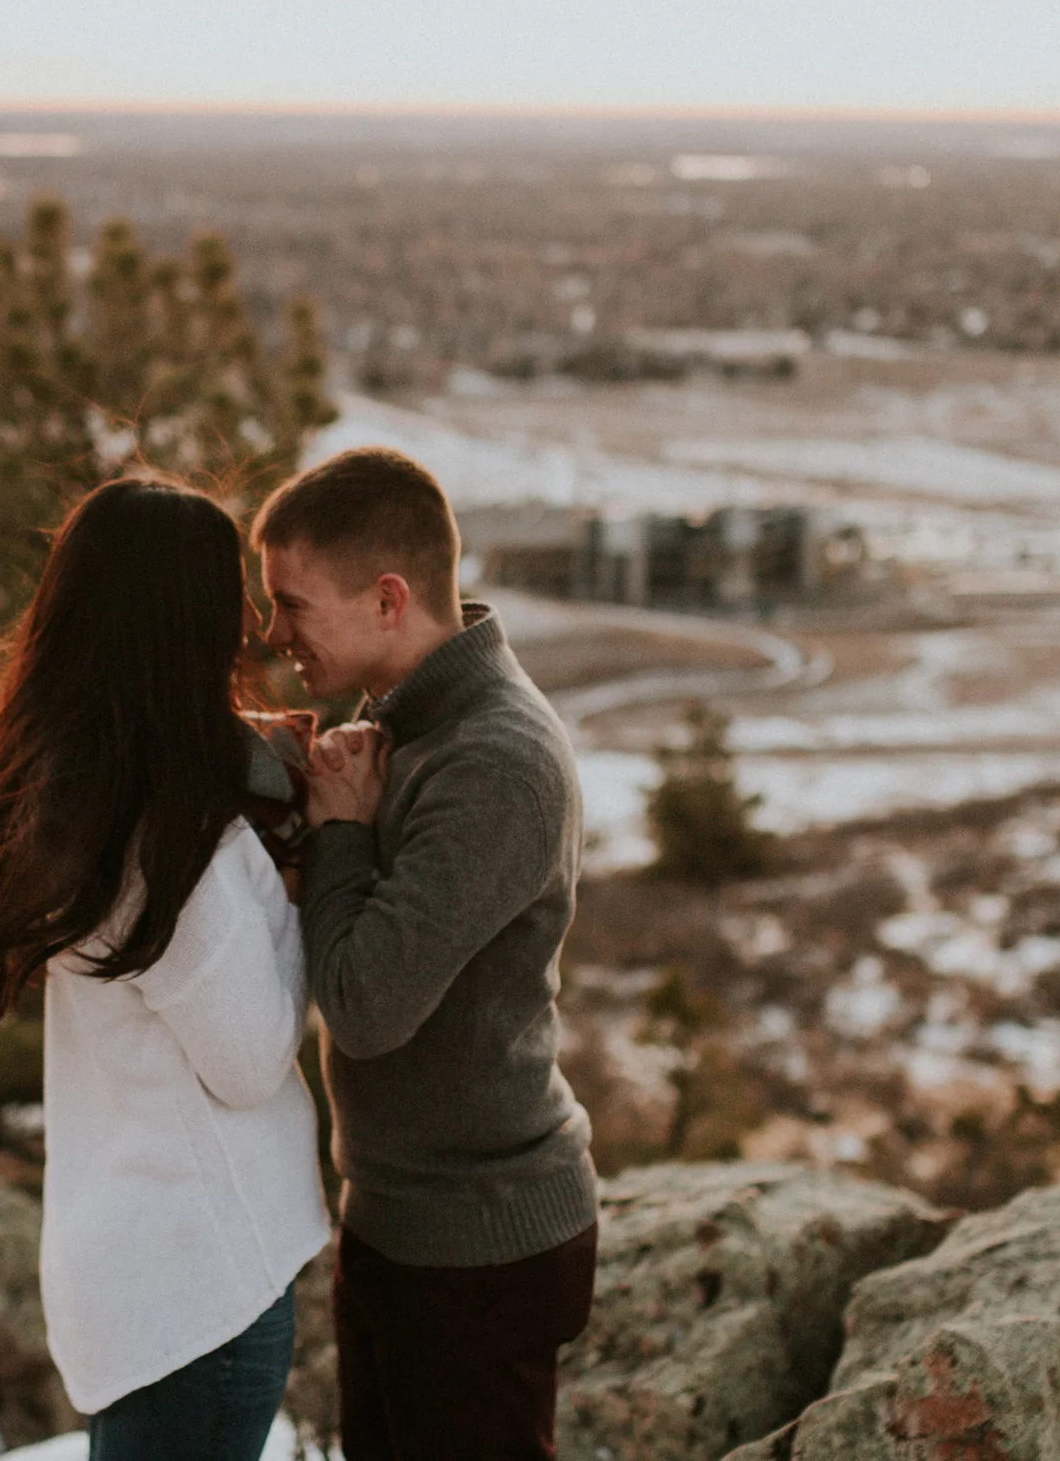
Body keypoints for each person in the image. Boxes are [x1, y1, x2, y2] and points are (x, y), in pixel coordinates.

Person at [0, 476, 331, 1460]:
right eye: (228, 594)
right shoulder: (176, 848)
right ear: (181, 623)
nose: (250, 619)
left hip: (137, 1276)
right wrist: (304, 884)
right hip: (203, 1283)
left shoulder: (76, 797)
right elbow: (250, 1061)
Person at [253, 446, 598, 1461]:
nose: (271, 634)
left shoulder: (496, 763)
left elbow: (365, 1002)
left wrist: (342, 836)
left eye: (291, 604)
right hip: (403, 1220)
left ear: (388, 598)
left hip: (479, 1243)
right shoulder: (400, 725)